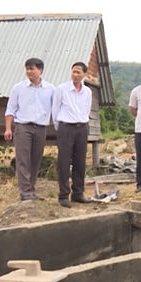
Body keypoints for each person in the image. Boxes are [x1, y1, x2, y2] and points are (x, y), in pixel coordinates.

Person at [4, 58, 55, 201]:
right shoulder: (18, 88)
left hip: (41, 128)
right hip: (23, 127)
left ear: (40, 70)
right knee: (23, 159)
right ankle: (25, 192)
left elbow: (56, 107)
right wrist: (8, 128)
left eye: (32, 69)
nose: (28, 72)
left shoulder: (50, 89)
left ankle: (31, 190)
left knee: (35, 159)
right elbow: (10, 109)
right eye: (27, 69)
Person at [52, 62, 93, 208]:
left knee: (80, 161)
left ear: (84, 75)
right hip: (66, 127)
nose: (75, 75)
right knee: (63, 162)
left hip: (81, 128)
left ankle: (78, 193)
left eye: (78, 72)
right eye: (73, 72)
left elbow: (86, 110)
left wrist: (82, 123)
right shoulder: (62, 89)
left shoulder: (87, 92)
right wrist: (61, 127)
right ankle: (63, 194)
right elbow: (55, 110)